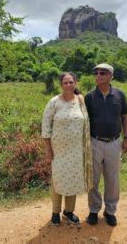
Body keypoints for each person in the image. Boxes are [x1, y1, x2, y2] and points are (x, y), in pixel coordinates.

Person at [41, 72, 93, 226]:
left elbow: (86, 124)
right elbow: (45, 128)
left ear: (75, 83)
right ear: (61, 85)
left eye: (71, 82)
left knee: (73, 180)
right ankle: (55, 212)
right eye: (65, 83)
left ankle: (68, 212)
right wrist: (48, 150)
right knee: (58, 181)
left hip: (77, 151)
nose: (69, 85)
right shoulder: (54, 102)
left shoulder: (81, 101)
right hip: (59, 152)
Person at [85, 63, 127, 227]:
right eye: (96, 73)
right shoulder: (89, 97)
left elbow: (125, 117)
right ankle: (93, 210)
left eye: (102, 73)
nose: (98, 76)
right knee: (93, 178)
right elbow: (85, 121)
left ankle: (110, 211)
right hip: (95, 142)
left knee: (113, 178)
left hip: (114, 143)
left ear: (111, 76)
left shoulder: (119, 95)